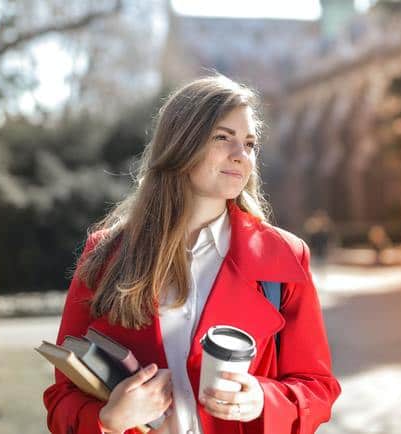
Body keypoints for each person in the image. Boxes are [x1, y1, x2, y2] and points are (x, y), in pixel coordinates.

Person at [43, 76, 341, 434]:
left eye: (249, 143)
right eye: (222, 137)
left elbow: (317, 388)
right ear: (181, 144)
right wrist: (109, 421)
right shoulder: (105, 256)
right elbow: (62, 397)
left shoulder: (285, 258)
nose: (241, 156)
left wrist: (263, 399)